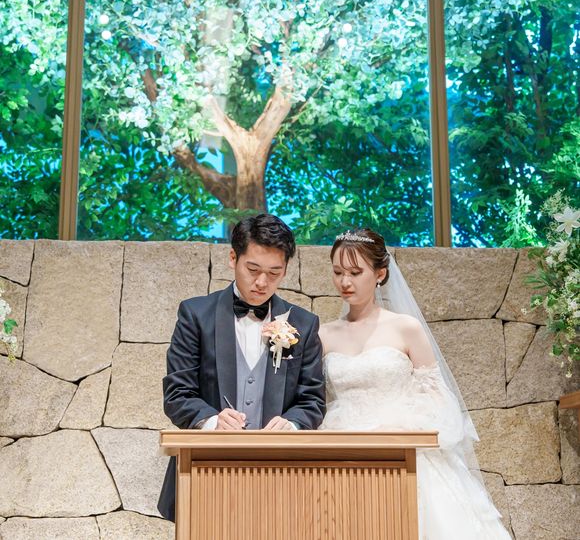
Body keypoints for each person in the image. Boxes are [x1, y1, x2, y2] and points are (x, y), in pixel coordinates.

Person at [319, 228, 511, 539]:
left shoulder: (405, 328)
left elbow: (437, 396)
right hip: (343, 450)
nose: (345, 281)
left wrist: (399, 426)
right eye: (338, 272)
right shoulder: (323, 334)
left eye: (355, 272)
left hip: (402, 450)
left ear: (380, 274)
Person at [157, 214, 326, 522]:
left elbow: (313, 400)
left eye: (274, 273)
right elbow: (177, 394)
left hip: (281, 477)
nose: (262, 282)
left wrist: (291, 424)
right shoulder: (196, 315)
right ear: (233, 258)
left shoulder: (303, 324)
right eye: (253, 270)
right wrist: (212, 421)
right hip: (205, 472)